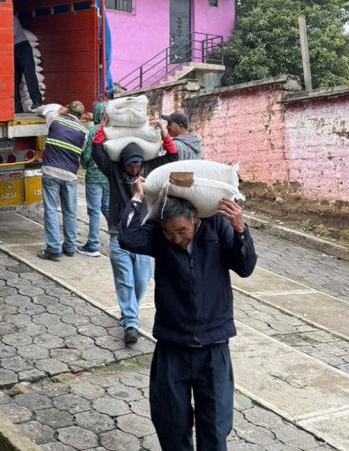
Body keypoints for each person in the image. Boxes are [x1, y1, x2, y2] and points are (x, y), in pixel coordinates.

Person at [118, 182, 257, 451]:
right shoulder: (159, 237)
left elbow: (245, 266)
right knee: (171, 426)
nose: (177, 239)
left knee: (215, 430)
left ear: (195, 216)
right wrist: (137, 198)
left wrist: (241, 230)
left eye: (182, 231)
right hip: (172, 346)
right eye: (170, 233)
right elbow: (127, 236)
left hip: (214, 348)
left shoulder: (217, 227)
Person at [91, 117, 178, 344]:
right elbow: (97, 151)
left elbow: (172, 157)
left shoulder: (147, 168)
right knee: (125, 281)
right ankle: (131, 323)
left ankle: (130, 311)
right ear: (123, 162)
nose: (135, 167)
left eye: (138, 164)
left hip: (143, 236)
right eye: (131, 164)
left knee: (141, 280)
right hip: (118, 235)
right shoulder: (112, 170)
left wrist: (164, 132)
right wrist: (102, 125)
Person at [38, 100, 88, 260]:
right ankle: (70, 247)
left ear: (68, 111)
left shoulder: (55, 119)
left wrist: (60, 111)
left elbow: (46, 110)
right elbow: (82, 151)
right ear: (80, 115)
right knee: (70, 211)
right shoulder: (83, 131)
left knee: (51, 209)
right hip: (70, 175)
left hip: (51, 171)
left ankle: (53, 249)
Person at [77, 102, 110, 257]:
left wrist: (84, 164)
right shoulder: (113, 130)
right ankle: (119, 237)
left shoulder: (92, 131)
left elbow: (87, 154)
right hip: (109, 176)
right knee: (107, 208)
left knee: (94, 211)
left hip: (94, 176)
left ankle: (93, 244)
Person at [13, 15, 42, 113]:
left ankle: (36, 101)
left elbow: (14, 32)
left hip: (22, 47)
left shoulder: (10, 16)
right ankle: (17, 107)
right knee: (14, 79)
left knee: (29, 74)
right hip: (11, 49)